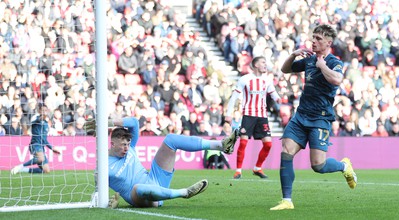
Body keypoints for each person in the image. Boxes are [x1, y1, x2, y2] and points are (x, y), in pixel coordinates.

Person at [270, 24, 357, 211]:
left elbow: (337, 80)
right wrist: (293, 55)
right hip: (300, 116)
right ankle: (287, 200)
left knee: (318, 165)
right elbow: (286, 69)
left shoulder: (334, 61)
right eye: (313, 37)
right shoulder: (309, 60)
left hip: (320, 118)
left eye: (318, 38)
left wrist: (322, 65)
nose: (314, 41)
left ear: (328, 42)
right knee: (286, 151)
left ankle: (344, 166)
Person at [86, 116, 239, 208]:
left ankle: (221, 145)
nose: (126, 148)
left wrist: (106, 122)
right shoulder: (103, 167)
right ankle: (185, 193)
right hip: (138, 196)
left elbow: (133, 121)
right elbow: (99, 192)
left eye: (128, 144)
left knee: (171, 139)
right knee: (140, 188)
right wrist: (109, 202)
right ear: (112, 144)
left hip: (155, 178)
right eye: (123, 145)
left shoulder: (130, 147)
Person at [225, 56, 281, 179]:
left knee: (268, 145)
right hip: (248, 115)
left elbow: (274, 94)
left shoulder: (267, 80)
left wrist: (278, 99)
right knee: (243, 143)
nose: (266, 65)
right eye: (263, 62)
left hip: (262, 116)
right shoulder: (245, 79)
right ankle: (238, 170)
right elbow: (234, 97)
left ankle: (257, 168)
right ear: (256, 65)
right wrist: (229, 114)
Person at [11, 105, 61, 174]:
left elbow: (44, 139)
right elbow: (34, 122)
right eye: (42, 110)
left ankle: (23, 169)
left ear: (48, 111)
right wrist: (51, 148)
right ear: (39, 111)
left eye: (45, 110)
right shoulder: (36, 119)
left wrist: (51, 148)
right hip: (35, 144)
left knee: (46, 170)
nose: (44, 112)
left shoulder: (46, 124)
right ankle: (20, 166)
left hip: (41, 146)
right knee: (41, 158)